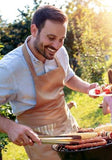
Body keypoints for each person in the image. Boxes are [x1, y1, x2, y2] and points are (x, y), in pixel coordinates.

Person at [0, 5, 97, 160]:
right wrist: (9, 126)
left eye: (61, 39)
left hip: (70, 130)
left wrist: (87, 88)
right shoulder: (9, 67)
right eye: (51, 38)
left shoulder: (60, 51)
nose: (57, 46)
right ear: (34, 30)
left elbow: (68, 77)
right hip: (40, 143)